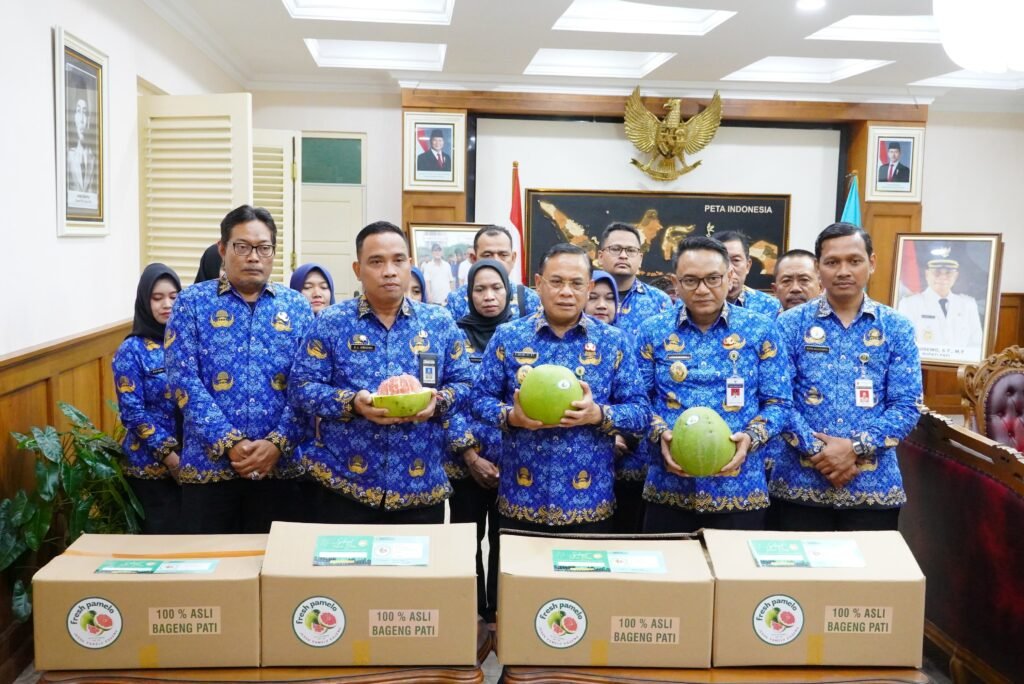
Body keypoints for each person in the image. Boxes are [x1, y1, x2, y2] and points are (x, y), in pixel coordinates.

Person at [289, 221, 472, 524]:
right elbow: (301, 387)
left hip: (420, 488)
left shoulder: (439, 322)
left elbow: (464, 382)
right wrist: (351, 403)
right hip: (344, 487)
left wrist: (437, 402)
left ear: (410, 264)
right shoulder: (331, 322)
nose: (389, 271)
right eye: (376, 262)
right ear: (357, 269)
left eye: (398, 260)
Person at [472, 243, 649, 533]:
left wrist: (598, 415)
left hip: (588, 503)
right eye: (556, 282)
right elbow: (478, 400)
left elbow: (640, 412)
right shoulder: (508, 337)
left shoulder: (613, 341)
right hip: (521, 498)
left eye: (576, 283)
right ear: (539, 284)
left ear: (589, 287)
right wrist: (511, 417)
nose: (566, 292)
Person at [165, 205, 314, 534]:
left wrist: (277, 443)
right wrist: (229, 442)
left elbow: (308, 385)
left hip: (281, 469)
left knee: (278, 561)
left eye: (263, 248)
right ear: (223, 249)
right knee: (209, 563)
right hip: (209, 471)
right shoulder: (191, 303)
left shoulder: (296, 307)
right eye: (242, 246)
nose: (253, 257)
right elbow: (182, 380)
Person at [771, 223, 923, 531]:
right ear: (818, 267)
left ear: (872, 263)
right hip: (799, 487)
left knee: (870, 565)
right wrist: (820, 452)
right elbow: (778, 400)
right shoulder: (789, 325)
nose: (843, 271)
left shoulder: (897, 327)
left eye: (854, 261)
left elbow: (907, 405)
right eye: (832, 262)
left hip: (873, 488)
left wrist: (854, 448)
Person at [639, 236, 792, 533]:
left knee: (736, 565)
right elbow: (637, 401)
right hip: (668, 490)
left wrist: (751, 437)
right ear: (676, 282)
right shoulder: (652, 331)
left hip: (740, 491)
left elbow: (779, 402)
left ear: (729, 276)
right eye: (691, 280)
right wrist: (659, 434)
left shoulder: (760, 329)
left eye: (712, 278)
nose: (702, 289)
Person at [447, 259, 511, 627]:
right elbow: (447, 399)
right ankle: (469, 615)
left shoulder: (521, 335)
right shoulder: (454, 334)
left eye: (496, 288)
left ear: (508, 291)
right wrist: (470, 455)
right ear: (469, 294)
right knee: (465, 541)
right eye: (480, 289)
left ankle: (501, 614)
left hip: (511, 465)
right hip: (463, 463)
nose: (489, 296)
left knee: (506, 542)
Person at [112, 263, 183, 534]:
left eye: (173, 296)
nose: (167, 304)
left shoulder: (185, 343)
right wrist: (170, 457)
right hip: (150, 469)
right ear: (144, 301)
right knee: (159, 546)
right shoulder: (131, 350)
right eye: (157, 298)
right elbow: (132, 412)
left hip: (192, 465)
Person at [763, 248, 823, 528]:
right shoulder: (760, 332)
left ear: (820, 283)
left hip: (839, 465)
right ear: (775, 289)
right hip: (769, 467)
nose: (795, 288)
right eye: (787, 281)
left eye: (804, 279)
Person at [897, 254, 983, 359]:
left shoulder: (968, 305)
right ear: (927, 274)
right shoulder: (909, 304)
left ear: (955, 276)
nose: (943, 277)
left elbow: (976, 344)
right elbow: (903, 345)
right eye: (936, 272)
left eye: (948, 273)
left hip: (961, 366)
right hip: (923, 366)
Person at [446, 225, 540, 320]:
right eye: (487, 255)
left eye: (503, 255)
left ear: (513, 258)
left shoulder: (529, 299)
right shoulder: (456, 300)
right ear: (474, 259)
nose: (496, 261)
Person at [596, 222, 673, 329]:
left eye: (631, 250)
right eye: (615, 249)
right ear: (600, 257)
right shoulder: (584, 296)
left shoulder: (659, 300)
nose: (623, 256)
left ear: (640, 259)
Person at [716, 230, 781, 319]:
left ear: (748, 265)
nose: (729, 269)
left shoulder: (770, 306)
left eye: (736, 260)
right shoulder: (699, 305)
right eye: (721, 260)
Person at [66, 94, 96, 195]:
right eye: (78, 111)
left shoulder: (94, 159)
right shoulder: (68, 157)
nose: (82, 120)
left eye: (85, 113)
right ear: (74, 117)